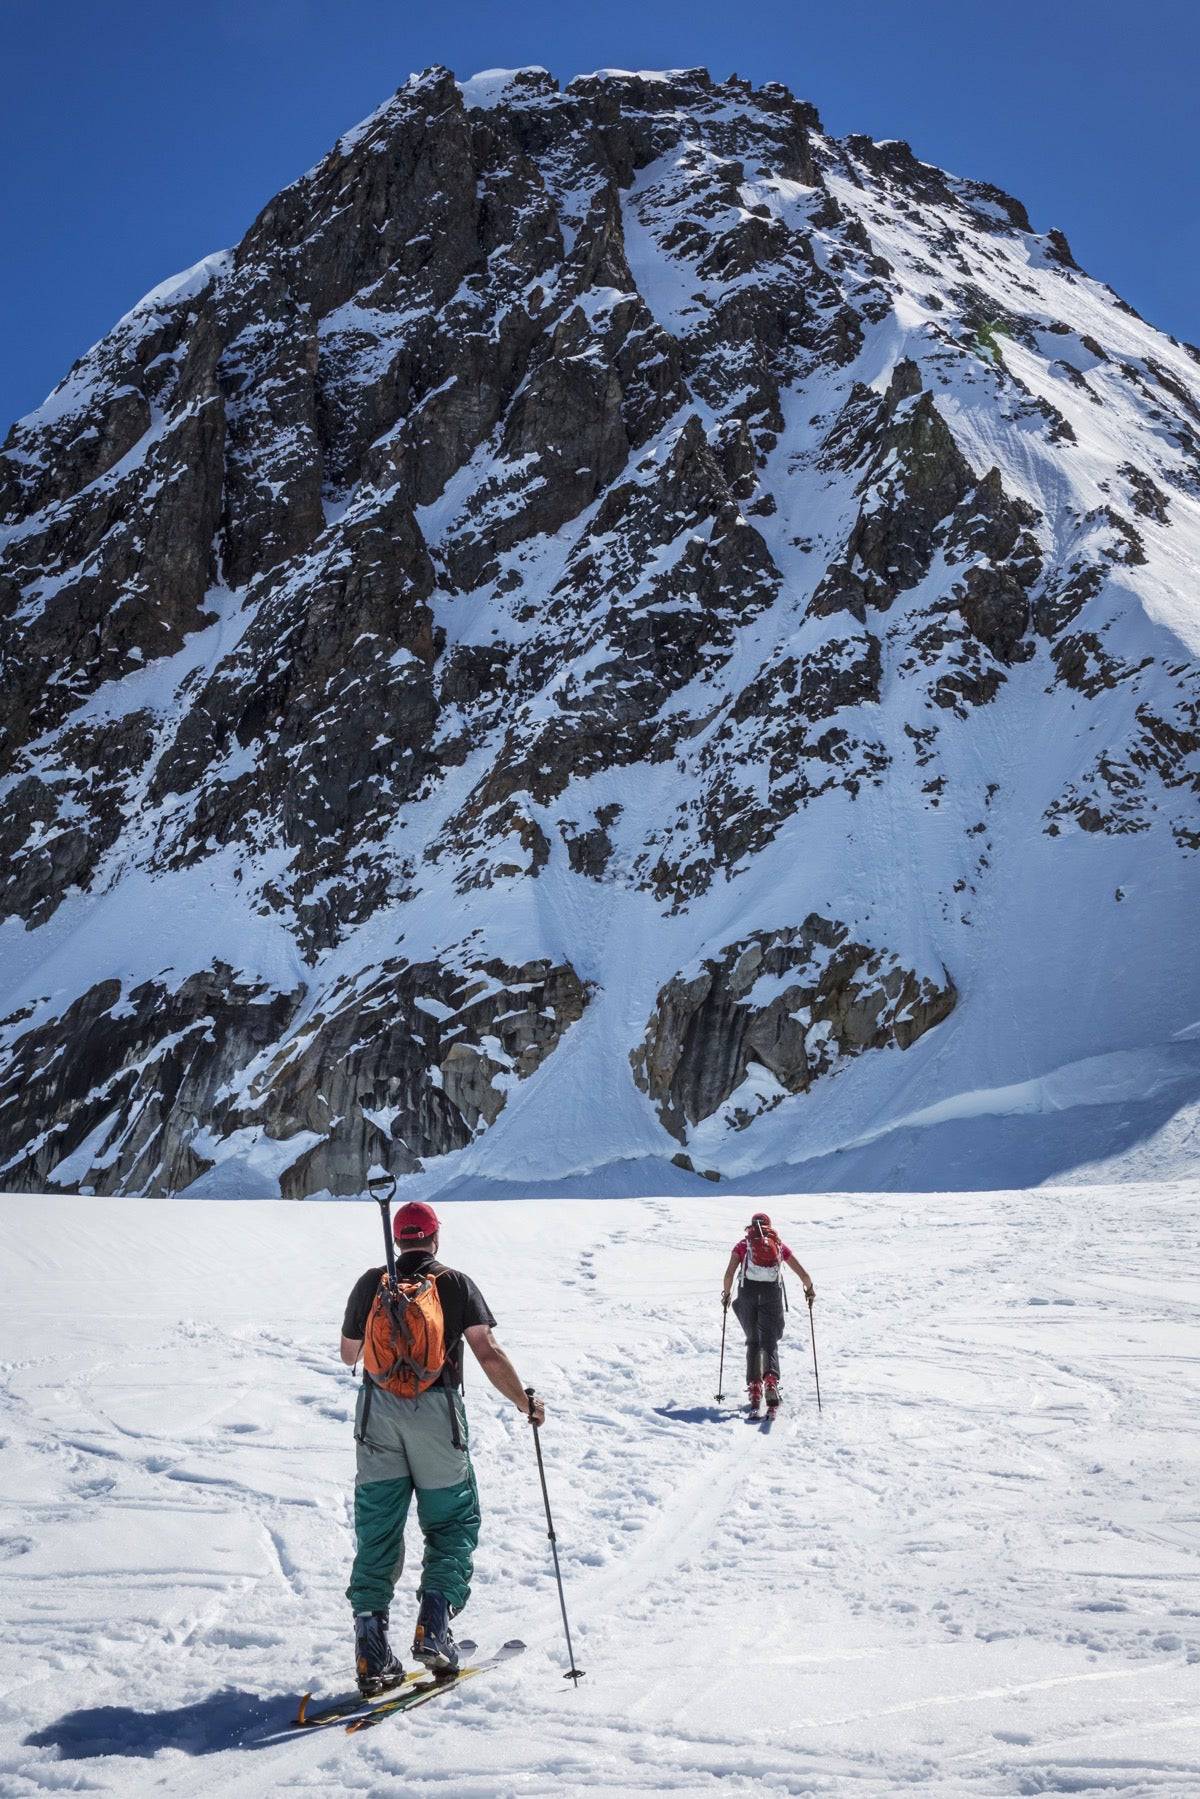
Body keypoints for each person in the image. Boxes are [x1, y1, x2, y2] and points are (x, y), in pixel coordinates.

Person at [339, 1198, 545, 1694]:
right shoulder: (453, 1283)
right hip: (437, 1415)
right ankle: (433, 1627)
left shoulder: (372, 1282)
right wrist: (525, 1402)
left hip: (377, 1416)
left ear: (398, 1238)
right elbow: (487, 1351)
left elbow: (349, 1354)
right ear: (434, 1237)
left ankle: (372, 1653)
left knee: (378, 1526)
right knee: (452, 1521)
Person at [721, 1211, 815, 1412]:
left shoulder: (744, 1245)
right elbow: (803, 1274)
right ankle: (770, 1380)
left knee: (753, 1340)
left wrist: (727, 1295)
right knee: (769, 1340)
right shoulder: (778, 1245)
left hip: (747, 1293)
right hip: (771, 1294)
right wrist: (810, 1291)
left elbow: (729, 1273)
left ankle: (755, 1387)